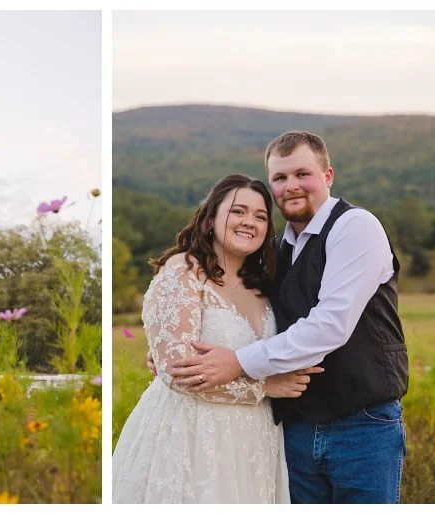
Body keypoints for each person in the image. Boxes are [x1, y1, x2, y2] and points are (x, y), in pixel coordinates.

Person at [168, 131, 409, 503]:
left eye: (302, 174)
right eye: (279, 178)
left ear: (328, 176)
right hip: (292, 429)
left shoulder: (355, 227)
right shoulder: (275, 249)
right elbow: (242, 318)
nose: (290, 186)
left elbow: (330, 325)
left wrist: (237, 363)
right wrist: (171, 347)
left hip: (362, 427)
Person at [113, 174, 323, 503]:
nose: (249, 222)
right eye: (238, 211)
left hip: (256, 440)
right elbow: (175, 372)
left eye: (261, 216)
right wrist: (265, 387)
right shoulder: (184, 270)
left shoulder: (265, 285)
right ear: (211, 219)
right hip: (194, 436)